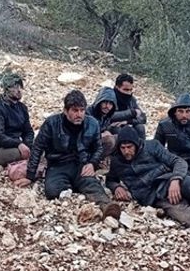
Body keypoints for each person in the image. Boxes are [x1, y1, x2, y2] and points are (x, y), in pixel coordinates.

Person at [15, 90, 121, 220]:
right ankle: (72, 189)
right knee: (52, 191)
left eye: (82, 110)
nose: (79, 114)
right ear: (65, 111)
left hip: (80, 164)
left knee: (93, 186)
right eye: (75, 110)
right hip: (58, 165)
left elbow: (98, 148)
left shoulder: (92, 123)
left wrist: (92, 163)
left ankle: (107, 207)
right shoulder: (52, 123)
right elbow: (37, 148)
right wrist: (30, 176)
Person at [0, 75, 35, 167]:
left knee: (42, 147)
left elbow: (28, 131)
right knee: (20, 153)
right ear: (6, 90)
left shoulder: (22, 108)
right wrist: (19, 144)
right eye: (14, 87)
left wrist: (27, 144)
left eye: (19, 86)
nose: (18, 90)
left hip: (17, 145)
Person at [110, 74, 147, 139]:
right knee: (119, 130)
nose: (129, 93)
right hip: (110, 127)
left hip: (125, 123)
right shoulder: (110, 98)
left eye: (130, 90)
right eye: (126, 90)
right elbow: (109, 115)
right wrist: (132, 113)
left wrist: (128, 121)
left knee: (140, 127)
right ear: (117, 87)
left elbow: (143, 117)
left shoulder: (131, 100)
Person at [86, 86, 118, 157]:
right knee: (110, 140)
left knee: (121, 137)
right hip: (86, 147)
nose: (107, 106)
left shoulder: (106, 116)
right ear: (99, 101)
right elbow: (84, 137)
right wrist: (101, 135)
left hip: (96, 143)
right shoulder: (88, 114)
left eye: (110, 104)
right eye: (105, 102)